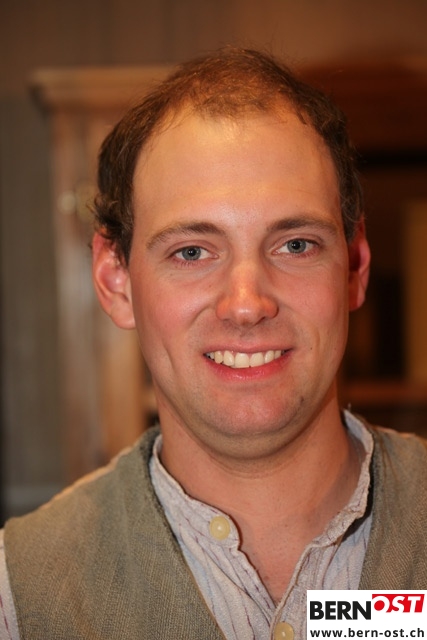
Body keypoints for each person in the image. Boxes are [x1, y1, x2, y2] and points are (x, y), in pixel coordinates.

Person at [1, 47, 426, 640]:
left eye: (296, 245)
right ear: (115, 281)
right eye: (192, 252)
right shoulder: (18, 594)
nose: (247, 305)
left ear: (354, 266)